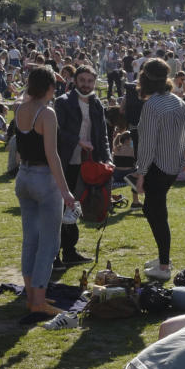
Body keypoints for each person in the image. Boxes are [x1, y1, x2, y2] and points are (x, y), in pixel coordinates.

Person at [131, 59, 185, 282]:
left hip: (157, 168)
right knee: (151, 211)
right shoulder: (175, 100)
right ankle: (163, 258)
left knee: (158, 214)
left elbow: (146, 145)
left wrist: (140, 175)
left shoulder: (152, 106)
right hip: (171, 166)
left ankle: (164, 265)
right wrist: (184, 149)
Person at [14, 66, 76, 320]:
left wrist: (46, 78)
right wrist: (67, 191)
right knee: (49, 242)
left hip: (24, 177)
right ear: (50, 88)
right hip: (44, 180)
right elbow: (53, 156)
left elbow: (23, 94)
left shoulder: (20, 108)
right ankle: (38, 300)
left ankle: (32, 295)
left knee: (30, 239)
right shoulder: (47, 113)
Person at [54, 65, 110, 268]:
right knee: (59, 208)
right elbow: (57, 131)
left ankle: (70, 251)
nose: (86, 85)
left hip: (88, 164)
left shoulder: (97, 104)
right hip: (65, 162)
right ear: (75, 80)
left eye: (90, 81)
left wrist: (107, 158)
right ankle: (54, 255)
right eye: (83, 80)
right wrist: (78, 140)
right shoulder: (62, 102)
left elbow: (103, 135)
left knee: (75, 208)